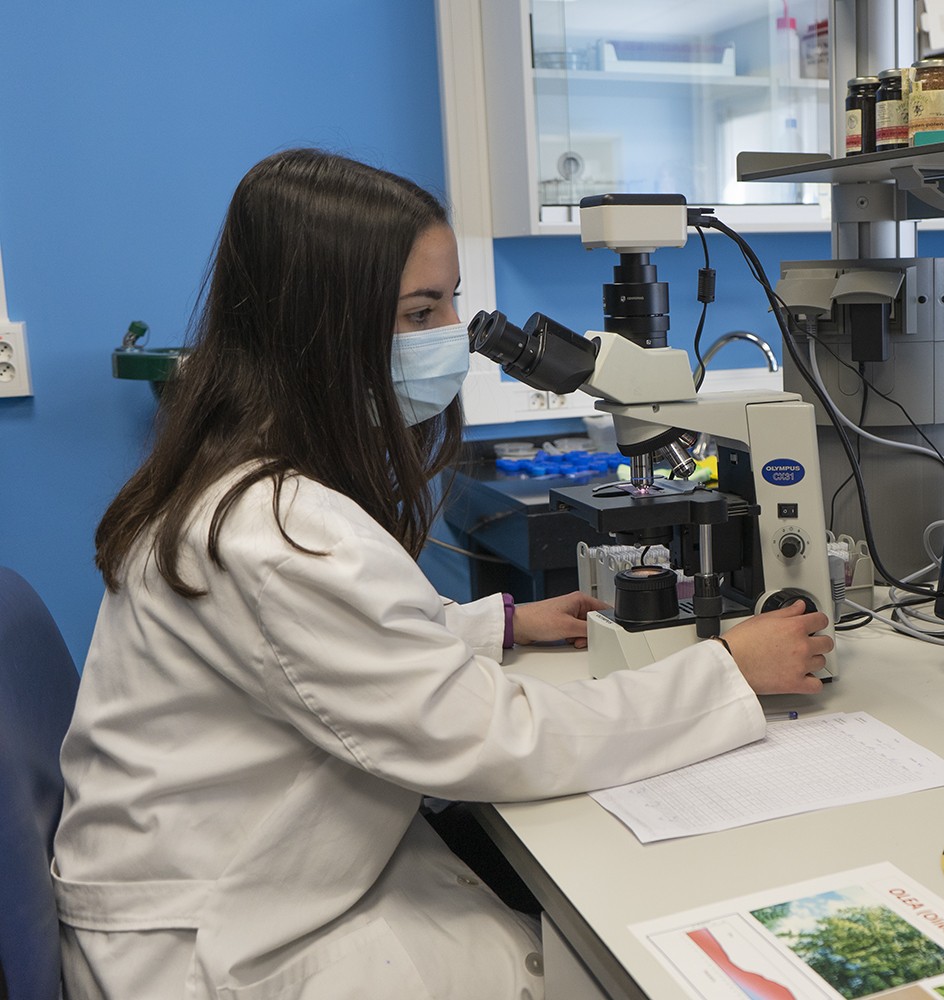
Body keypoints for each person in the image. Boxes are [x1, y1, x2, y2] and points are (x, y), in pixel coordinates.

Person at [51, 148, 832, 999]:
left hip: (245, 870)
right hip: (215, 941)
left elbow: (323, 647)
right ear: (318, 328)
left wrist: (496, 624)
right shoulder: (280, 535)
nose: (455, 333)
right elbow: (494, 738)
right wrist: (728, 672)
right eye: (421, 310)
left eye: (453, 300)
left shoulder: (236, 471)